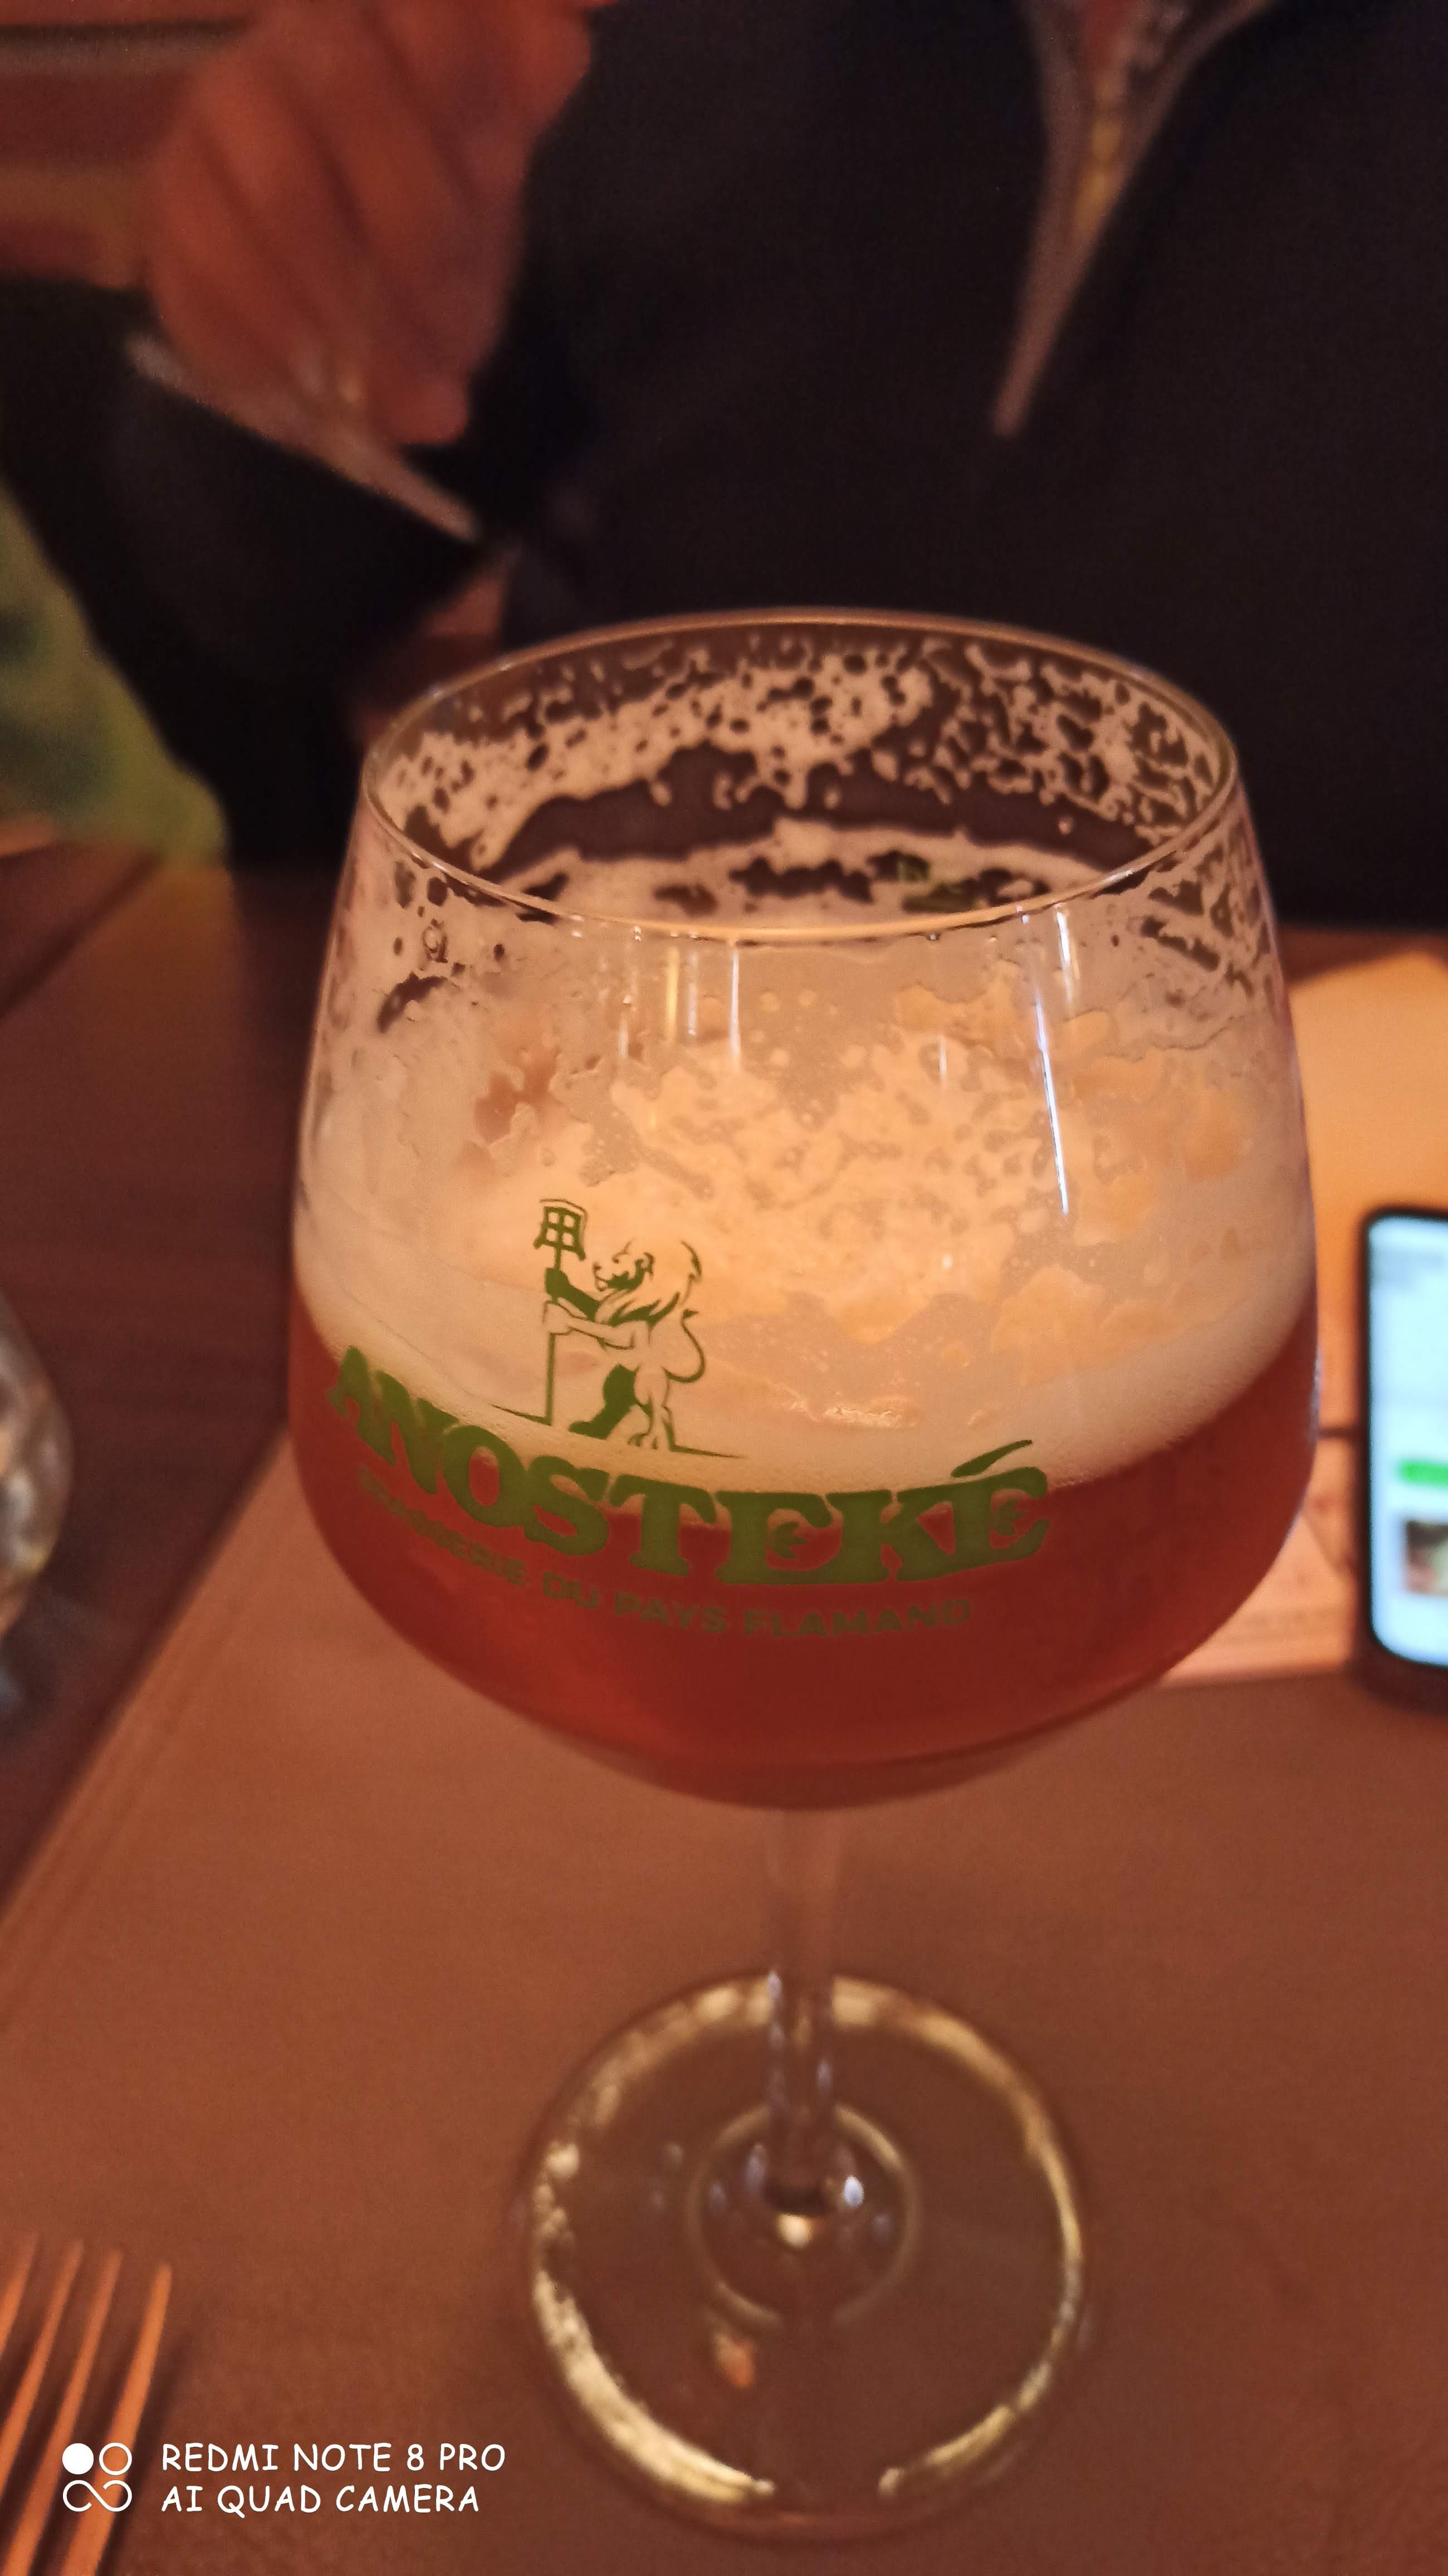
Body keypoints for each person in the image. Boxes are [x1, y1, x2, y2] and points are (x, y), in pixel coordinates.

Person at [129, 0, 1448, 924]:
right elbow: (275, 582)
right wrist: (282, 294)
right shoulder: (663, 42)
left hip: (1306, 1153)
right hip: (637, 1101)